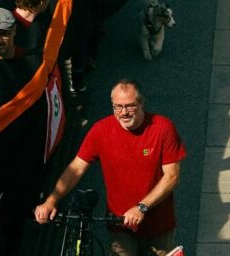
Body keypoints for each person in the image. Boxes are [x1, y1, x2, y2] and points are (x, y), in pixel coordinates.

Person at [34, 78, 186, 256]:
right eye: (117, 107)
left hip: (158, 226)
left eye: (130, 106)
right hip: (119, 225)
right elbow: (76, 168)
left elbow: (172, 177)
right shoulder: (101, 130)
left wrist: (141, 207)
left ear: (141, 103)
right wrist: (51, 200)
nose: (124, 113)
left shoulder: (162, 128)